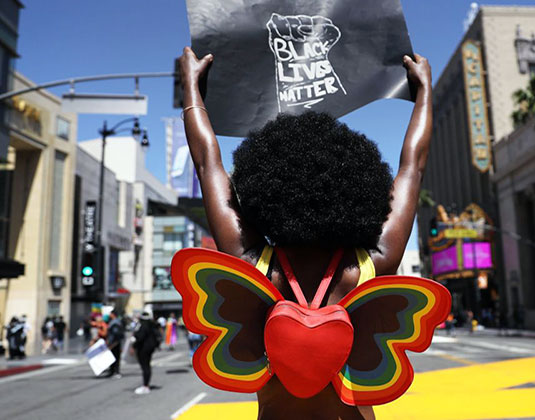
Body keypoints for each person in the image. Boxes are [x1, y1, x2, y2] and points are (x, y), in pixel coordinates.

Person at [179, 43, 432, 419]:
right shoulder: (370, 266)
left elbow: (207, 162)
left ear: (266, 187)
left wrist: (191, 89)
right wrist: (424, 93)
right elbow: (412, 167)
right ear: (357, 188)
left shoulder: (254, 267)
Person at [132, 312, 161, 395]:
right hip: (150, 348)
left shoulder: (143, 325)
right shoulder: (152, 324)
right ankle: (146, 384)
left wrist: (134, 345)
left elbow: (140, 337)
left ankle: (145, 386)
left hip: (143, 348)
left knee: (145, 366)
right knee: (147, 366)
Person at [106, 311, 124, 378]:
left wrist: (111, 342)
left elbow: (116, 333)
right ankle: (112, 371)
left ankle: (115, 372)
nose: (109, 315)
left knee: (115, 357)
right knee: (112, 357)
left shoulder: (115, 322)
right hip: (114, 342)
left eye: (110, 314)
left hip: (114, 343)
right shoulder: (115, 321)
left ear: (113, 314)